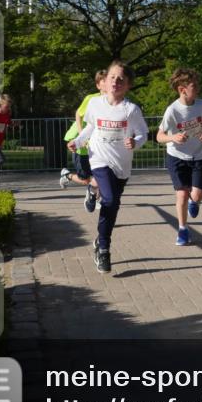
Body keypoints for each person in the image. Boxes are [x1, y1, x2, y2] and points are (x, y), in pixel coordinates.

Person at [68, 61, 148, 274]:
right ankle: (104, 249)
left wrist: (136, 142)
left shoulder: (131, 110)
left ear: (128, 85)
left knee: (112, 206)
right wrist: (77, 141)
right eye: (112, 77)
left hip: (122, 164)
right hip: (99, 159)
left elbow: (143, 133)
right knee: (109, 199)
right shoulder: (95, 104)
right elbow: (90, 127)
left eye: (121, 79)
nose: (116, 81)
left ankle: (100, 241)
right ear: (105, 81)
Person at [156, 68, 202, 246]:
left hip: (197, 155)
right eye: (194, 85)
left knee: (197, 194)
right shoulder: (172, 110)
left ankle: (194, 202)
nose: (198, 88)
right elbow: (159, 136)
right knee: (181, 195)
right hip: (177, 156)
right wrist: (173, 137)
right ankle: (182, 229)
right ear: (182, 89)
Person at [60, 70, 107, 211]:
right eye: (104, 81)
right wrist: (81, 136)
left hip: (97, 144)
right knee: (86, 178)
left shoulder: (113, 100)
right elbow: (78, 114)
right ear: (98, 85)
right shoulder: (91, 99)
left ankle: (96, 198)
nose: (109, 83)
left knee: (100, 175)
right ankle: (67, 175)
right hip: (81, 143)